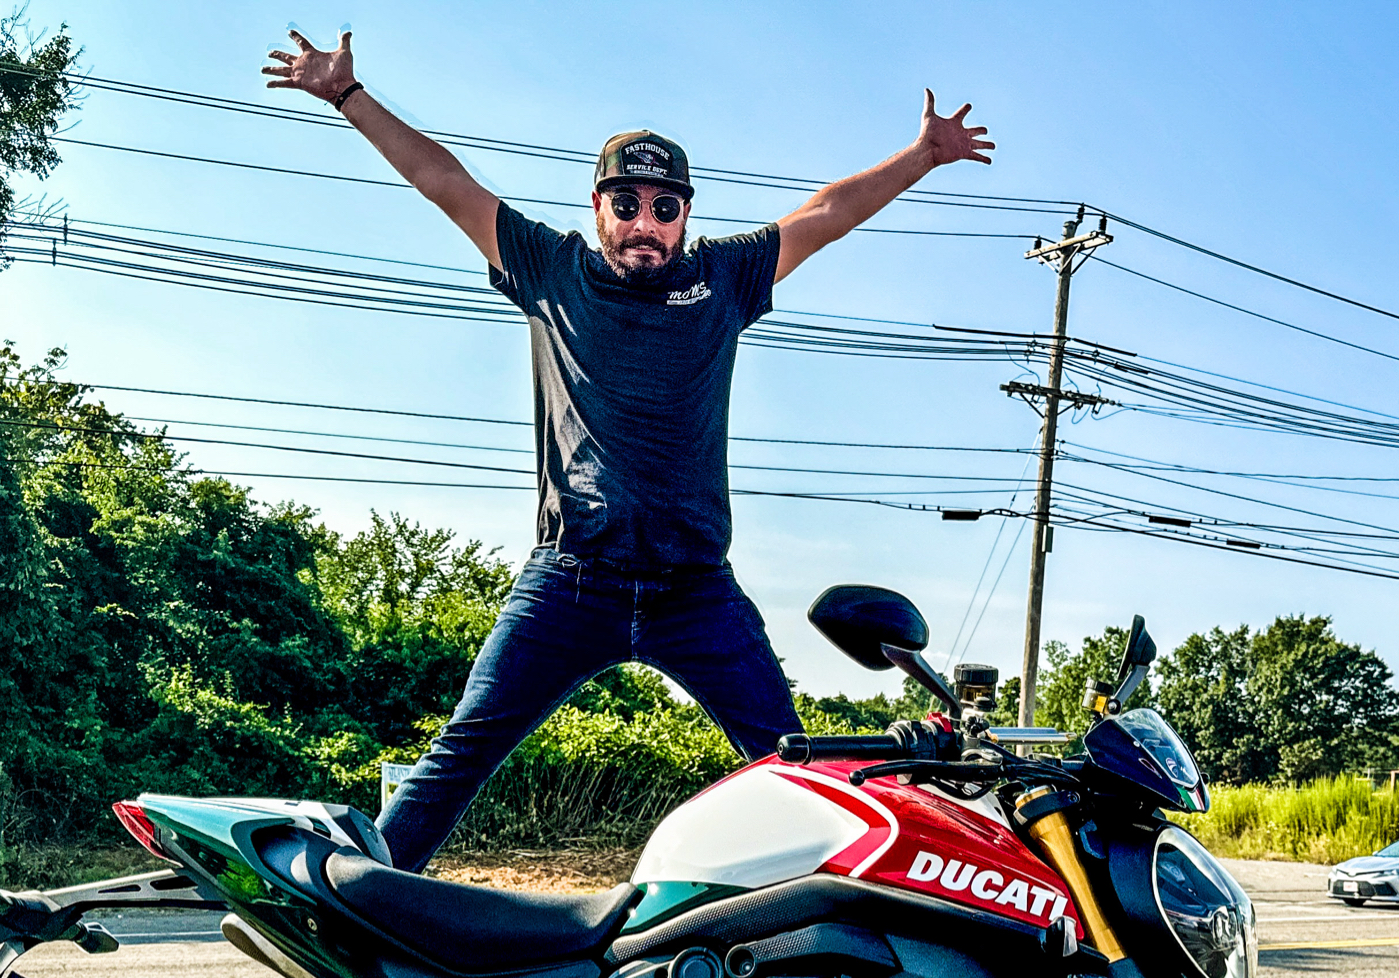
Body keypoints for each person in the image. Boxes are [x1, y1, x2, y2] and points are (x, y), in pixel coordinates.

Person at [263, 30, 994, 870]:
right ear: (599, 207)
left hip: (696, 592)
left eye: (665, 207)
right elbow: (444, 182)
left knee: (800, 770)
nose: (646, 223)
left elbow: (826, 214)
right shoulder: (549, 266)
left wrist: (923, 155)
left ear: (685, 214)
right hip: (573, 579)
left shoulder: (725, 277)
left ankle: (839, 932)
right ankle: (365, 900)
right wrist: (349, 98)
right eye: (628, 204)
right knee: (465, 748)